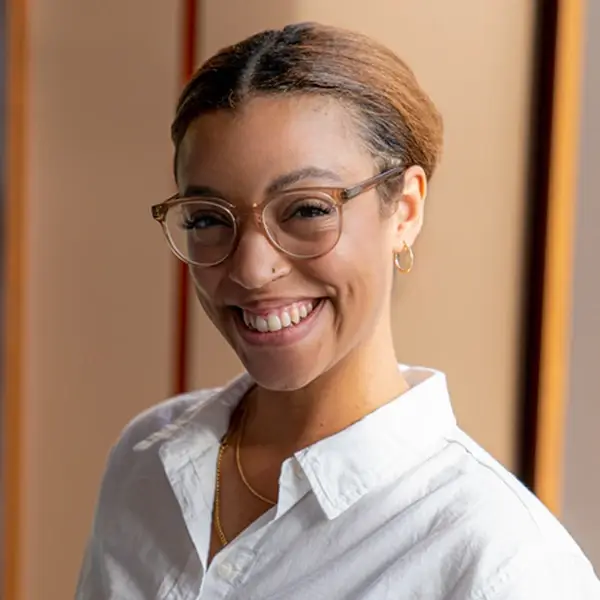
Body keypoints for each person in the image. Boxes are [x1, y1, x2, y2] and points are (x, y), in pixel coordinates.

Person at [76, 22, 600, 600]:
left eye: (305, 209)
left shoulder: (504, 567)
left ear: (403, 210)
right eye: (206, 218)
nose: (251, 269)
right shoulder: (146, 461)